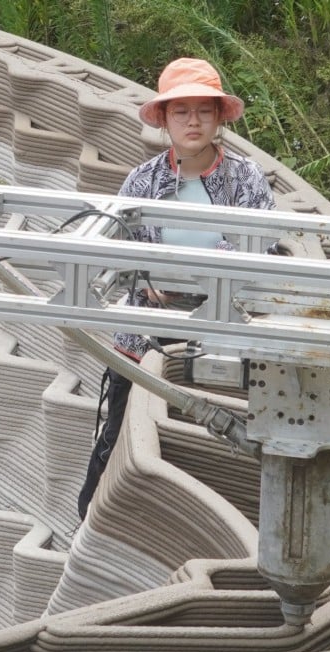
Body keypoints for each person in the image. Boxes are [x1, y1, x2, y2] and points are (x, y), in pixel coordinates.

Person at [77, 57, 276, 520]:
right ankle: (91, 522)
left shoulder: (244, 179)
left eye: (202, 110)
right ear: (164, 120)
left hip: (223, 331)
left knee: (227, 437)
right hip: (147, 331)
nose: (192, 121)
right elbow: (120, 253)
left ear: (218, 117)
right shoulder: (143, 180)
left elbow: (258, 248)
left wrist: (188, 279)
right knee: (117, 436)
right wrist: (152, 281)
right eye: (180, 111)